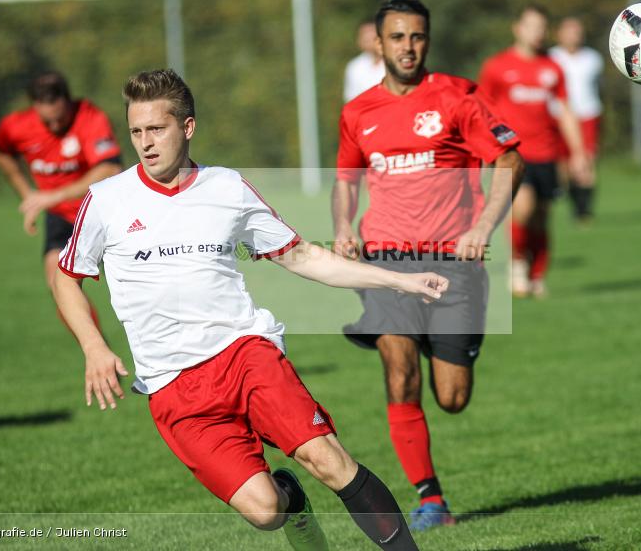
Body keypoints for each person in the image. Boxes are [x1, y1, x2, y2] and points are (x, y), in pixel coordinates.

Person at [52, 69, 438, 550]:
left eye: (157, 129)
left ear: (187, 128)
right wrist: (93, 346)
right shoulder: (107, 199)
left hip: (244, 354)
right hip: (173, 387)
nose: (146, 144)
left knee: (329, 460)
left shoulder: (226, 188)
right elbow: (66, 277)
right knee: (265, 510)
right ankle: (292, 502)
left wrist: (398, 280)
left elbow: (301, 256)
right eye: (136, 132)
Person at [332, 0, 524, 531]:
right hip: (387, 261)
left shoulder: (459, 97)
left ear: (428, 41)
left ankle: (440, 344)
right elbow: (346, 180)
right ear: (378, 43)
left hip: (453, 263)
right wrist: (345, 226)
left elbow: (509, 158)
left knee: (452, 397)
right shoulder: (357, 112)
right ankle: (431, 500)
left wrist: (483, 227)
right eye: (397, 37)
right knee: (399, 371)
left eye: (417, 37)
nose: (408, 47)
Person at [478, 4, 592, 299]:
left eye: (542, 27)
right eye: (531, 26)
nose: (537, 32)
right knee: (522, 209)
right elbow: (481, 111)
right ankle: (517, 263)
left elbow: (566, 111)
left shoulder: (552, 68)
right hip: (511, 155)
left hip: (547, 153)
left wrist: (578, 152)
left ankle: (537, 275)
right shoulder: (497, 67)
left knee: (542, 216)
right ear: (517, 28)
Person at [0, 71, 122, 329]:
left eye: (60, 119)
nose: (54, 127)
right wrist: (27, 195)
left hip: (105, 212)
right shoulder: (15, 126)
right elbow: (3, 153)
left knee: (133, 290)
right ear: (34, 108)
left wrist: (50, 197)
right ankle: (97, 355)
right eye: (47, 121)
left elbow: (110, 169)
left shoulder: (90, 117)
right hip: (62, 217)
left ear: (68, 101)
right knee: (58, 285)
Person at [549, 16, 604, 222]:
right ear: (560, 33)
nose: (575, 35)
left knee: (585, 163)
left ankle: (584, 211)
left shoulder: (593, 58)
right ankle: (570, 199)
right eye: (570, 31)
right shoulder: (551, 57)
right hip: (559, 116)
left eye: (578, 31)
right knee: (563, 166)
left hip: (587, 115)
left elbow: (599, 86)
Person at [343, 20, 386, 102]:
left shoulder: (395, 63)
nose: (368, 38)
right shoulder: (354, 66)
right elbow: (351, 99)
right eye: (364, 35)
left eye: (371, 33)